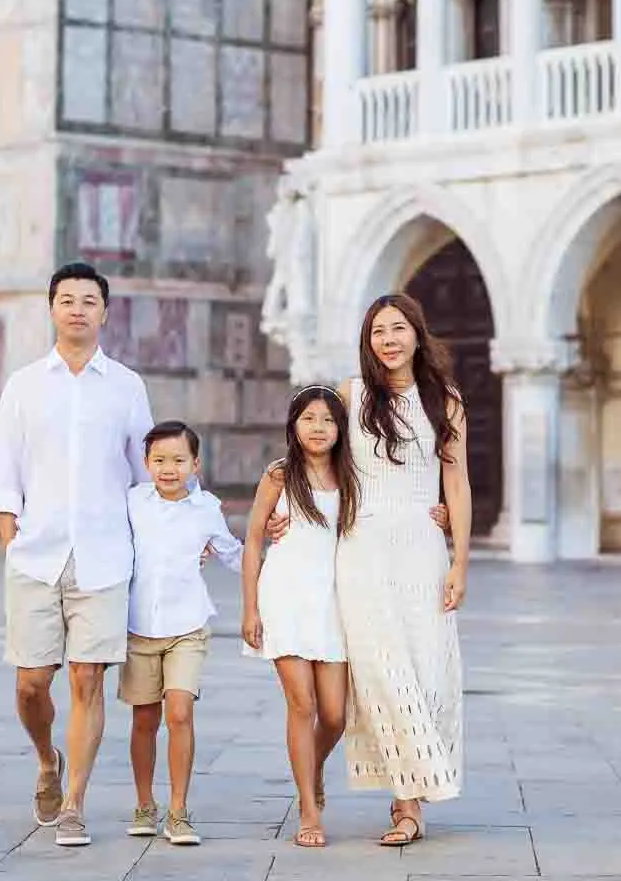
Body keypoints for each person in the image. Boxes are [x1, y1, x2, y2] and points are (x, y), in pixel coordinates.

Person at [0, 261, 153, 848]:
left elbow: (146, 477)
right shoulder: (25, 384)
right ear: (52, 308)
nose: (78, 308)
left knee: (88, 678)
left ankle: (77, 802)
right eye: (67, 299)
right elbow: (5, 471)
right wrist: (12, 535)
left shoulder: (128, 387)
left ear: (105, 312)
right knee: (32, 683)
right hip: (36, 555)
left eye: (89, 300)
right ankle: (46, 760)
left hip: (106, 557)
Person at [335, 292, 471, 846]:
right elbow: (311, 456)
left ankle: (409, 791)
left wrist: (460, 559)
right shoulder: (351, 395)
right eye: (377, 332)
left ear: (417, 333)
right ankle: (409, 803)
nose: (387, 341)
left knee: (424, 668)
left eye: (397, 329)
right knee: (380, 669)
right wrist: (276, 513)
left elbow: (456, 484)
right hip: (362, 544)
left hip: (420, 545)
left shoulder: (446, 400)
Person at [240, 384, 356, 849]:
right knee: (302, 705)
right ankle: (309, 809)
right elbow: (252, 542)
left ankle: (314, 765)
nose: (318, 428)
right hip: (285, 597)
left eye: (328, 420)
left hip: (334, 602)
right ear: (293, 425)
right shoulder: (279, 476)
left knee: (334, 716)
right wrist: (249, 607)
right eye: (309, 418)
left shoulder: (353, 476)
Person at [120, 422, 242, 846]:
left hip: (188, 627)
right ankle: (143, 804)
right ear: (146, 463)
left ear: (195, 464)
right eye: (159, 460)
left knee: (179, 713)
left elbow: (233, 555)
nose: (168, 469)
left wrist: (276, 547)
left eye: (178, 460)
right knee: (144, 720)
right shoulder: (134, 501)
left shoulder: (206, 508)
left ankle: (178, 810)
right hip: (139, 627)